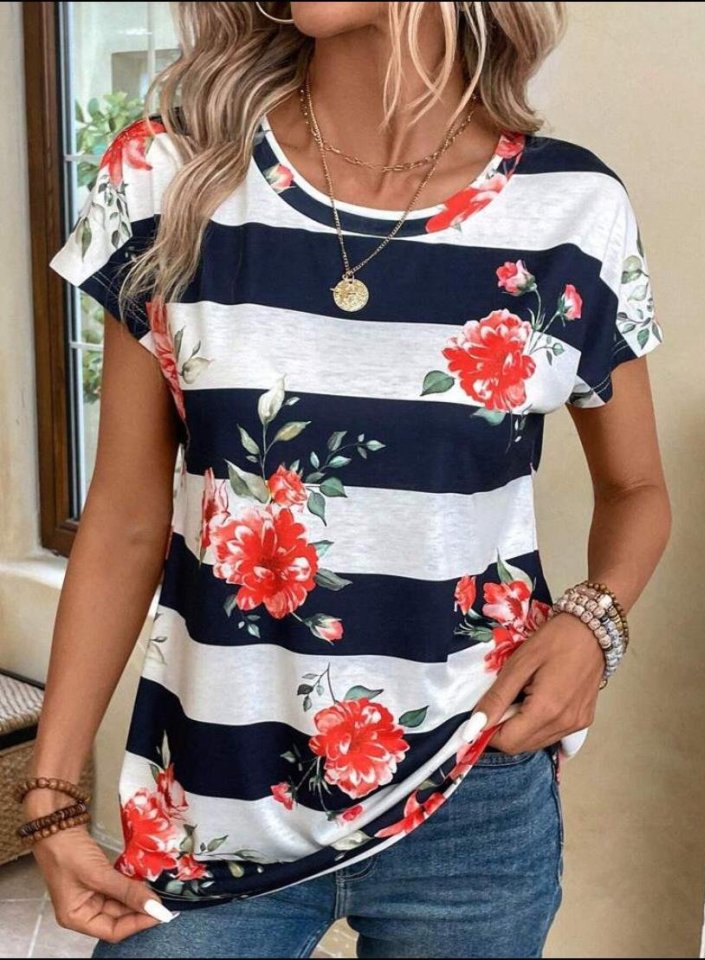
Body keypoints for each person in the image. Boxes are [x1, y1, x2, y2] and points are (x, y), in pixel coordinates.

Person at [18, 2, 671, 957]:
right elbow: (123, 518)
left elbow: (638, 491)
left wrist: (591, 625)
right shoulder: (168, 174)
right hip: (212, 798)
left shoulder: (573, 206)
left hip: (472, 791)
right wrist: (51, 792)